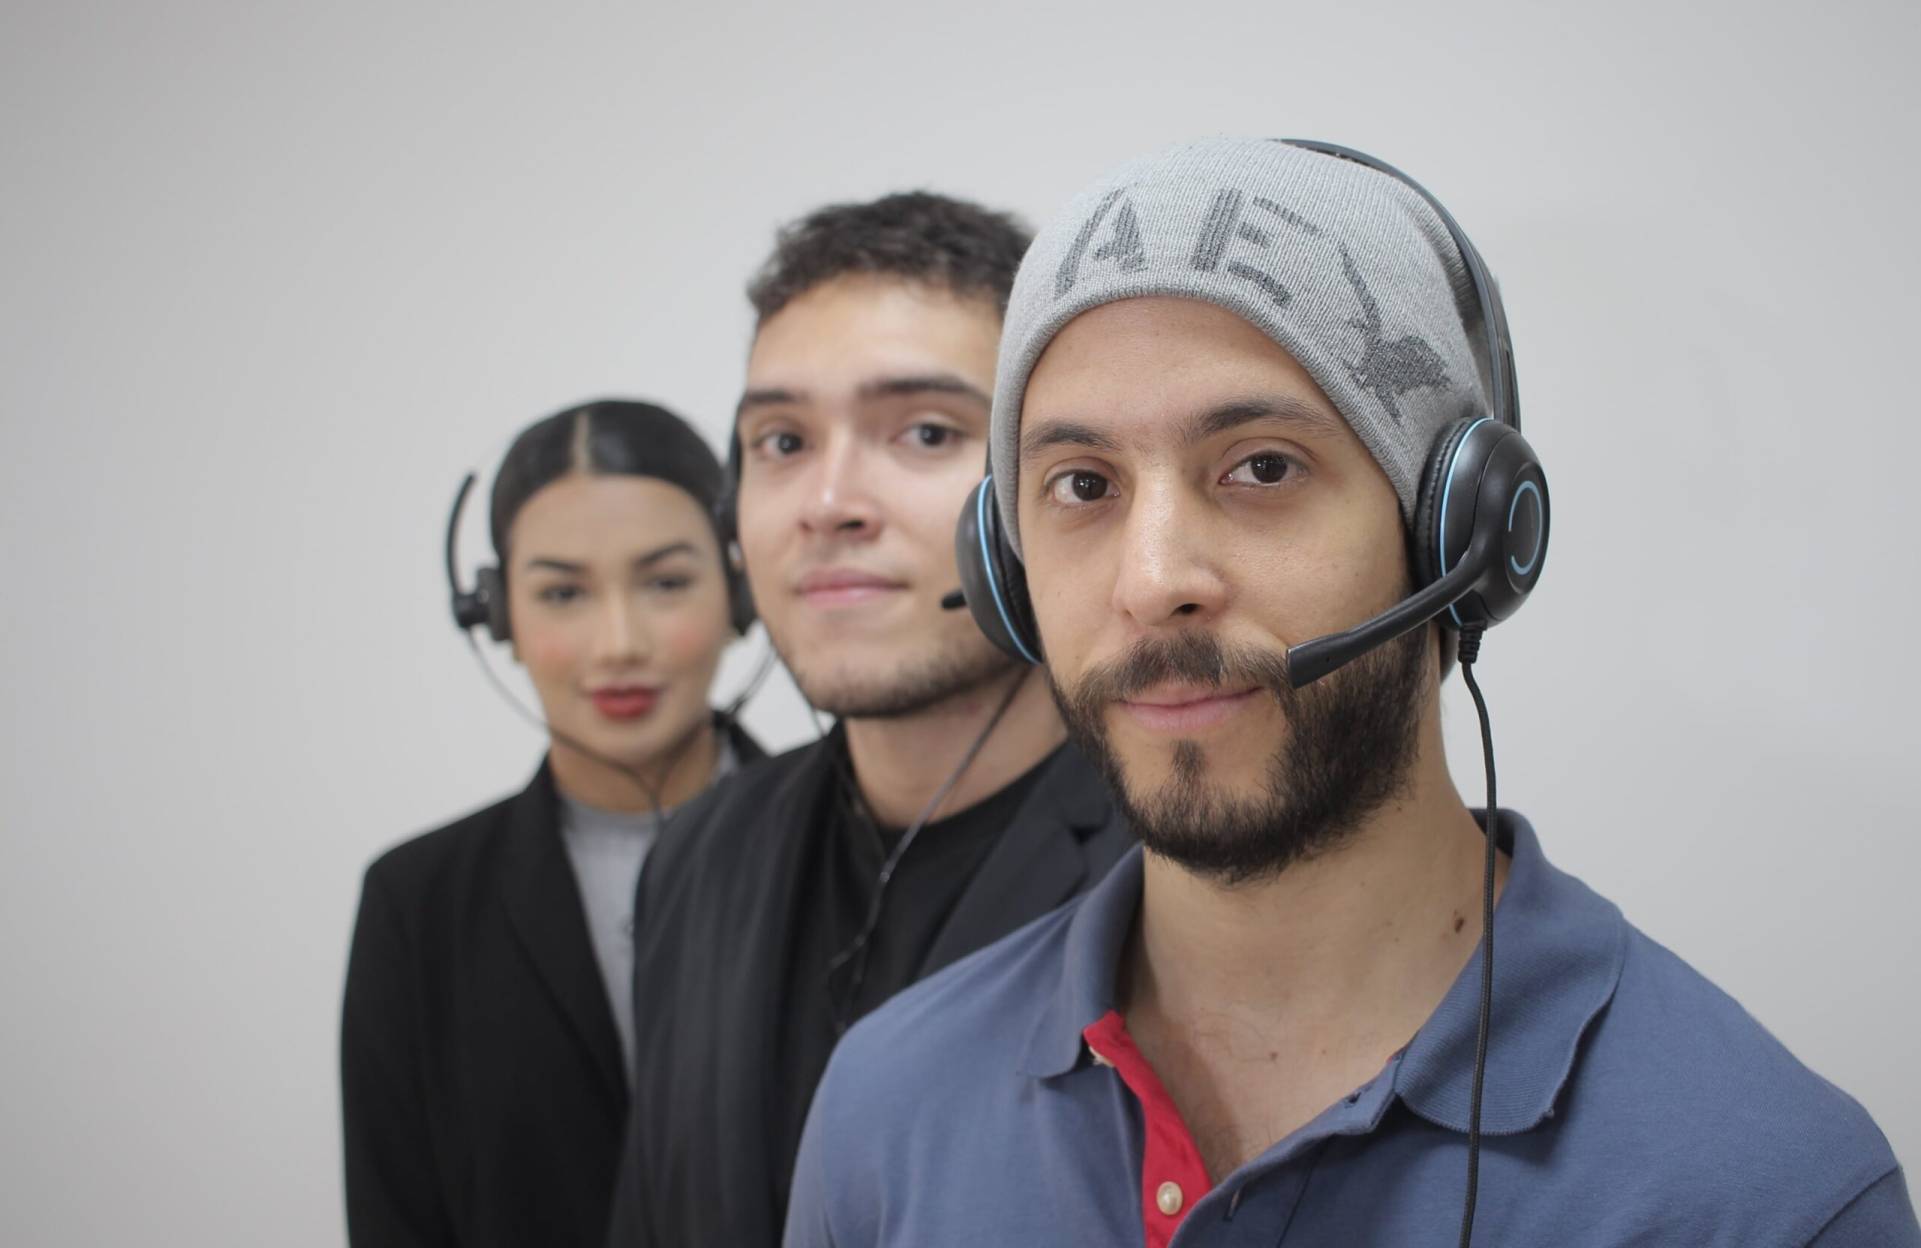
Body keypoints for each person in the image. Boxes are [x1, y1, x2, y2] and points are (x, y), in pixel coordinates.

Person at [784, 140, 1918, 1246]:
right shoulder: (886, 1108)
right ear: (1005, 563)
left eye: (1262, 466)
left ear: (1460, 538)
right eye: (1081, 485)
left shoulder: (1767, 1195)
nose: (1152, 582)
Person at [603, 193, 1135, 1248]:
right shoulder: (698, 856)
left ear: (1053, 485)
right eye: (782, 440)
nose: (827, 500)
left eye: (925, 431)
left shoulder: (1187, 866)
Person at [341, 398, 761, 1248]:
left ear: (739, 591)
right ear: (498, 618)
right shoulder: (417, 905)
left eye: (666, 582)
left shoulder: (864, 849)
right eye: (562, 592)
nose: (618, 643)